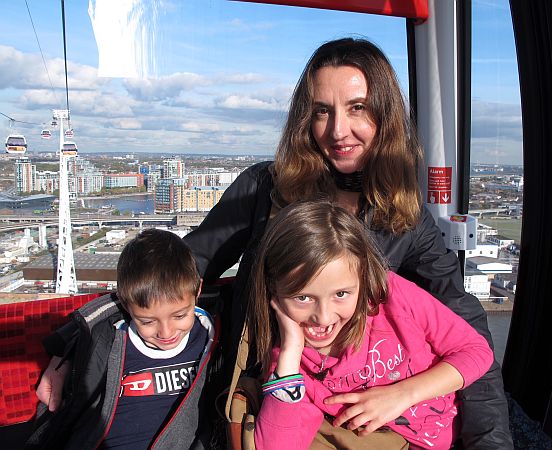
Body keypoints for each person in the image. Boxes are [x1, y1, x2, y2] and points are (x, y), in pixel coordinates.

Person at [37, 37, 512, 448]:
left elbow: (465, 327)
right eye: (322, 111)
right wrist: (72, 348)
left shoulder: (404, 219)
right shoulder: (265, 189)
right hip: (258, 405)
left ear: (385, 117)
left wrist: (486, 441)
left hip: (354, 418)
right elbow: (178, 271)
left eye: (357, 108)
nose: (337, 130)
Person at [249, 201, 494, 449]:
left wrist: (402, 394)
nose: (323, 318)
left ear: (363, 278)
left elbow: (476, 351)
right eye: (303, 298)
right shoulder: (293, 363)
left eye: (341, 294)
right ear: (273, 291)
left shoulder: (393, 296)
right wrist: (290, 356)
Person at [27, 229, 217, 450]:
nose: (166, 333)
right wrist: (62, 353)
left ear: (198, 292)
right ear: (126, 305)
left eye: (180, 316)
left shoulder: (209, 332)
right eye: (147, 321)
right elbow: (90, 325)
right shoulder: (110, 339)